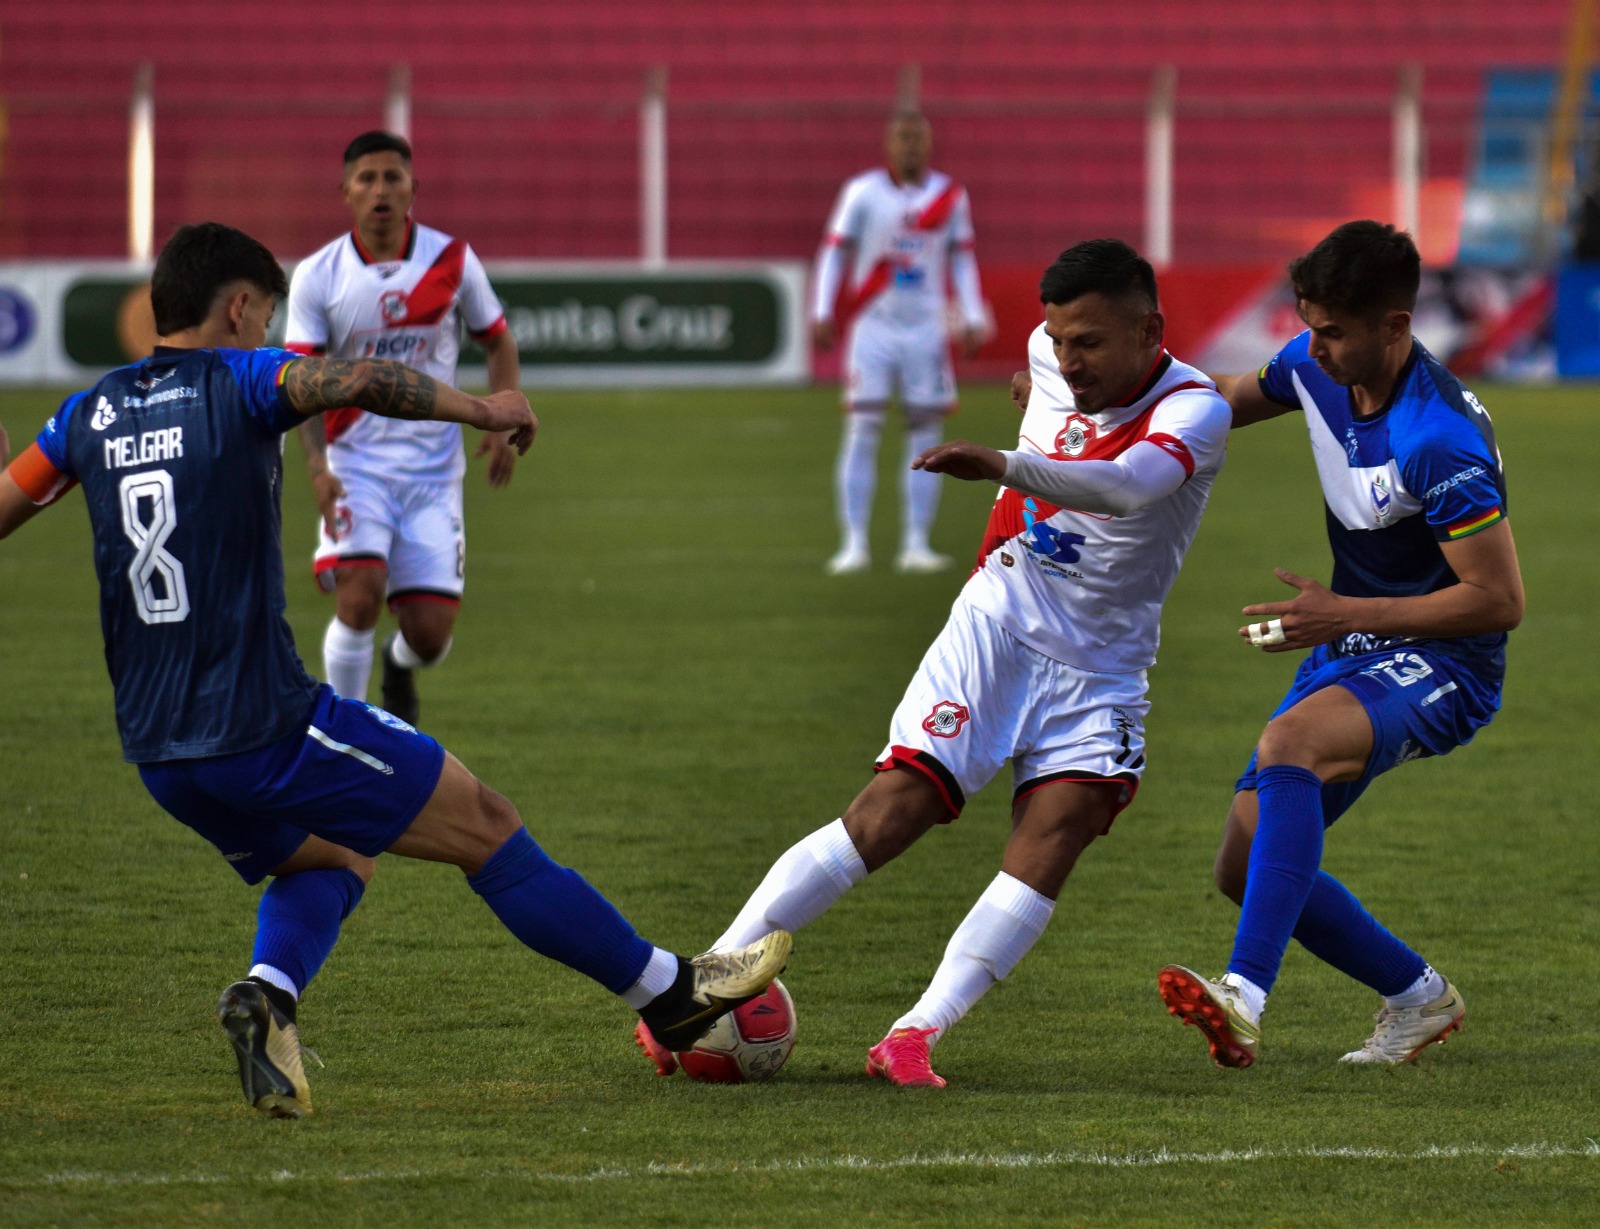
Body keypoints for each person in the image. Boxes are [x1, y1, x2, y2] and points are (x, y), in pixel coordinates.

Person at [0, 222, 789, 1118]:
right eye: (261, 321)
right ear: (241, 308)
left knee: (338, 853)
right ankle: (672, 995)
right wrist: (488, 408)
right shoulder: (245, 378)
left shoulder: (85, 415)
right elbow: (365, 379)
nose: (264, 337)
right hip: (266, 726)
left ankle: (269, 996)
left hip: (159, 753)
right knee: (487, 823)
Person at [635, 240, 1231, 1086]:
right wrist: (1039, 389)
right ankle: (700, 986)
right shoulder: (1046, 354)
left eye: (1090, 343)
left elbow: (1129, 484)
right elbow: (1044, 382)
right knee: (891, 812)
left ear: (1150, 330)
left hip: (1103, 668)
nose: (1068, 360)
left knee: (1052, 839)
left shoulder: (1194, 411)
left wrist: (1006, 461)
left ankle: (915, 1031)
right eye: (1058, 341)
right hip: (998, 621)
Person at [1157, 221, 1523, 1069]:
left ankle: (1243, 995)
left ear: (1395, 327)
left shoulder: (1439, 442)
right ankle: (1419, 995)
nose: (1311, 349)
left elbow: (1498, 601)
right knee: (1242, 868)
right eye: (1308, 325)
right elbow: (1215, 407)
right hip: (1355, 634)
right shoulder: (1314, 369)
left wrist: (1344, 615)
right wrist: (1101, 410)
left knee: (1290, 743)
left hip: (1448, 659)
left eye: (1332, 332)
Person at [287, 130, 522, 727]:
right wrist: (316, 469)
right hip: (354, 465)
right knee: (359, 597)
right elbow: (301, 381)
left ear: (414, 188)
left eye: (393, 177)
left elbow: (497, 340)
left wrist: (500, 417)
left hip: (433, 474)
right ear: (345, 192)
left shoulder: (452, 261)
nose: (380, 189)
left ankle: (398, 665)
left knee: (430, 638)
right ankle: (348, 735)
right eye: (366, 178)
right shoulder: (318, 275)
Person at [811, 110, 988, 576]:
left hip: (926, 330)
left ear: (929, 145)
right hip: (873, 327)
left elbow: (962, 258)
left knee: (925, 434)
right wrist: (821, 310)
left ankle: (916, 544)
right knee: (863, 429)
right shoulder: (862, 193)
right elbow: (834, 251)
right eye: (902, 138)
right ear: (888, 145)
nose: (910, 147)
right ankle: (853, 544)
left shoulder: (949, 196)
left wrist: (971, 314)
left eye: (917, 138)